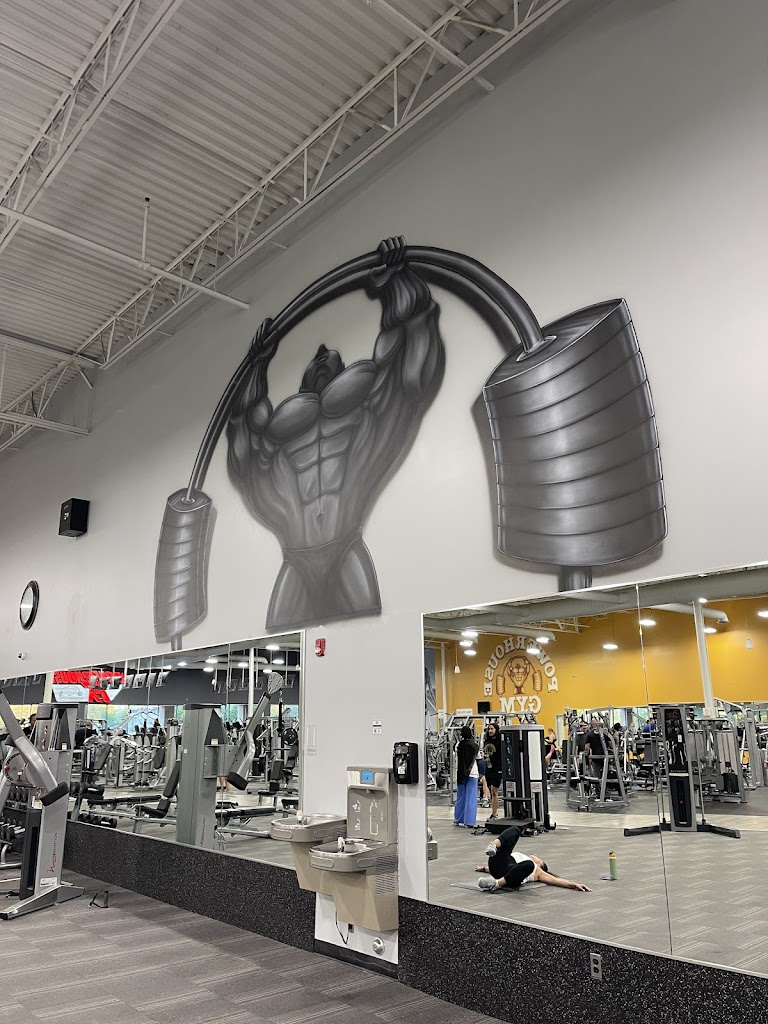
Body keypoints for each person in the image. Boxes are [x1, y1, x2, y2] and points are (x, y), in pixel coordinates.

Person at [475, 826, 592, 893]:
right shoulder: (523, 858)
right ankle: (493, 845)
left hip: (509, 877)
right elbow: (504, 864)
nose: (535, 855)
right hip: (499, 866)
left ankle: (496, 884)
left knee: (529, 865)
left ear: (541, 864)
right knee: (515, 830)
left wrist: (574, 884)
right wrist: (484, 868)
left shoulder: (538, 871)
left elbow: (557, 880)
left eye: (538, 858)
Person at [454, 726, 479, 828]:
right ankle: (469, 822)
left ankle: (458, 819)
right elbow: (478, 758)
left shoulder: (458, 745)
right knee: (471, 798)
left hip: (460, 773)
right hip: (472, 773)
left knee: (460, 797)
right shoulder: (475, 746)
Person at [483, 721, 502, 821]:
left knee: (494, 791)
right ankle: (493, 813)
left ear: (496, 730)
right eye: (489, 729)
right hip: (488, 768)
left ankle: (495, 814)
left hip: (497, 768)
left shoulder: (500, 741)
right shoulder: (487, 741)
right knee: (491, 791)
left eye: (492, 729)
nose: (490, 731)